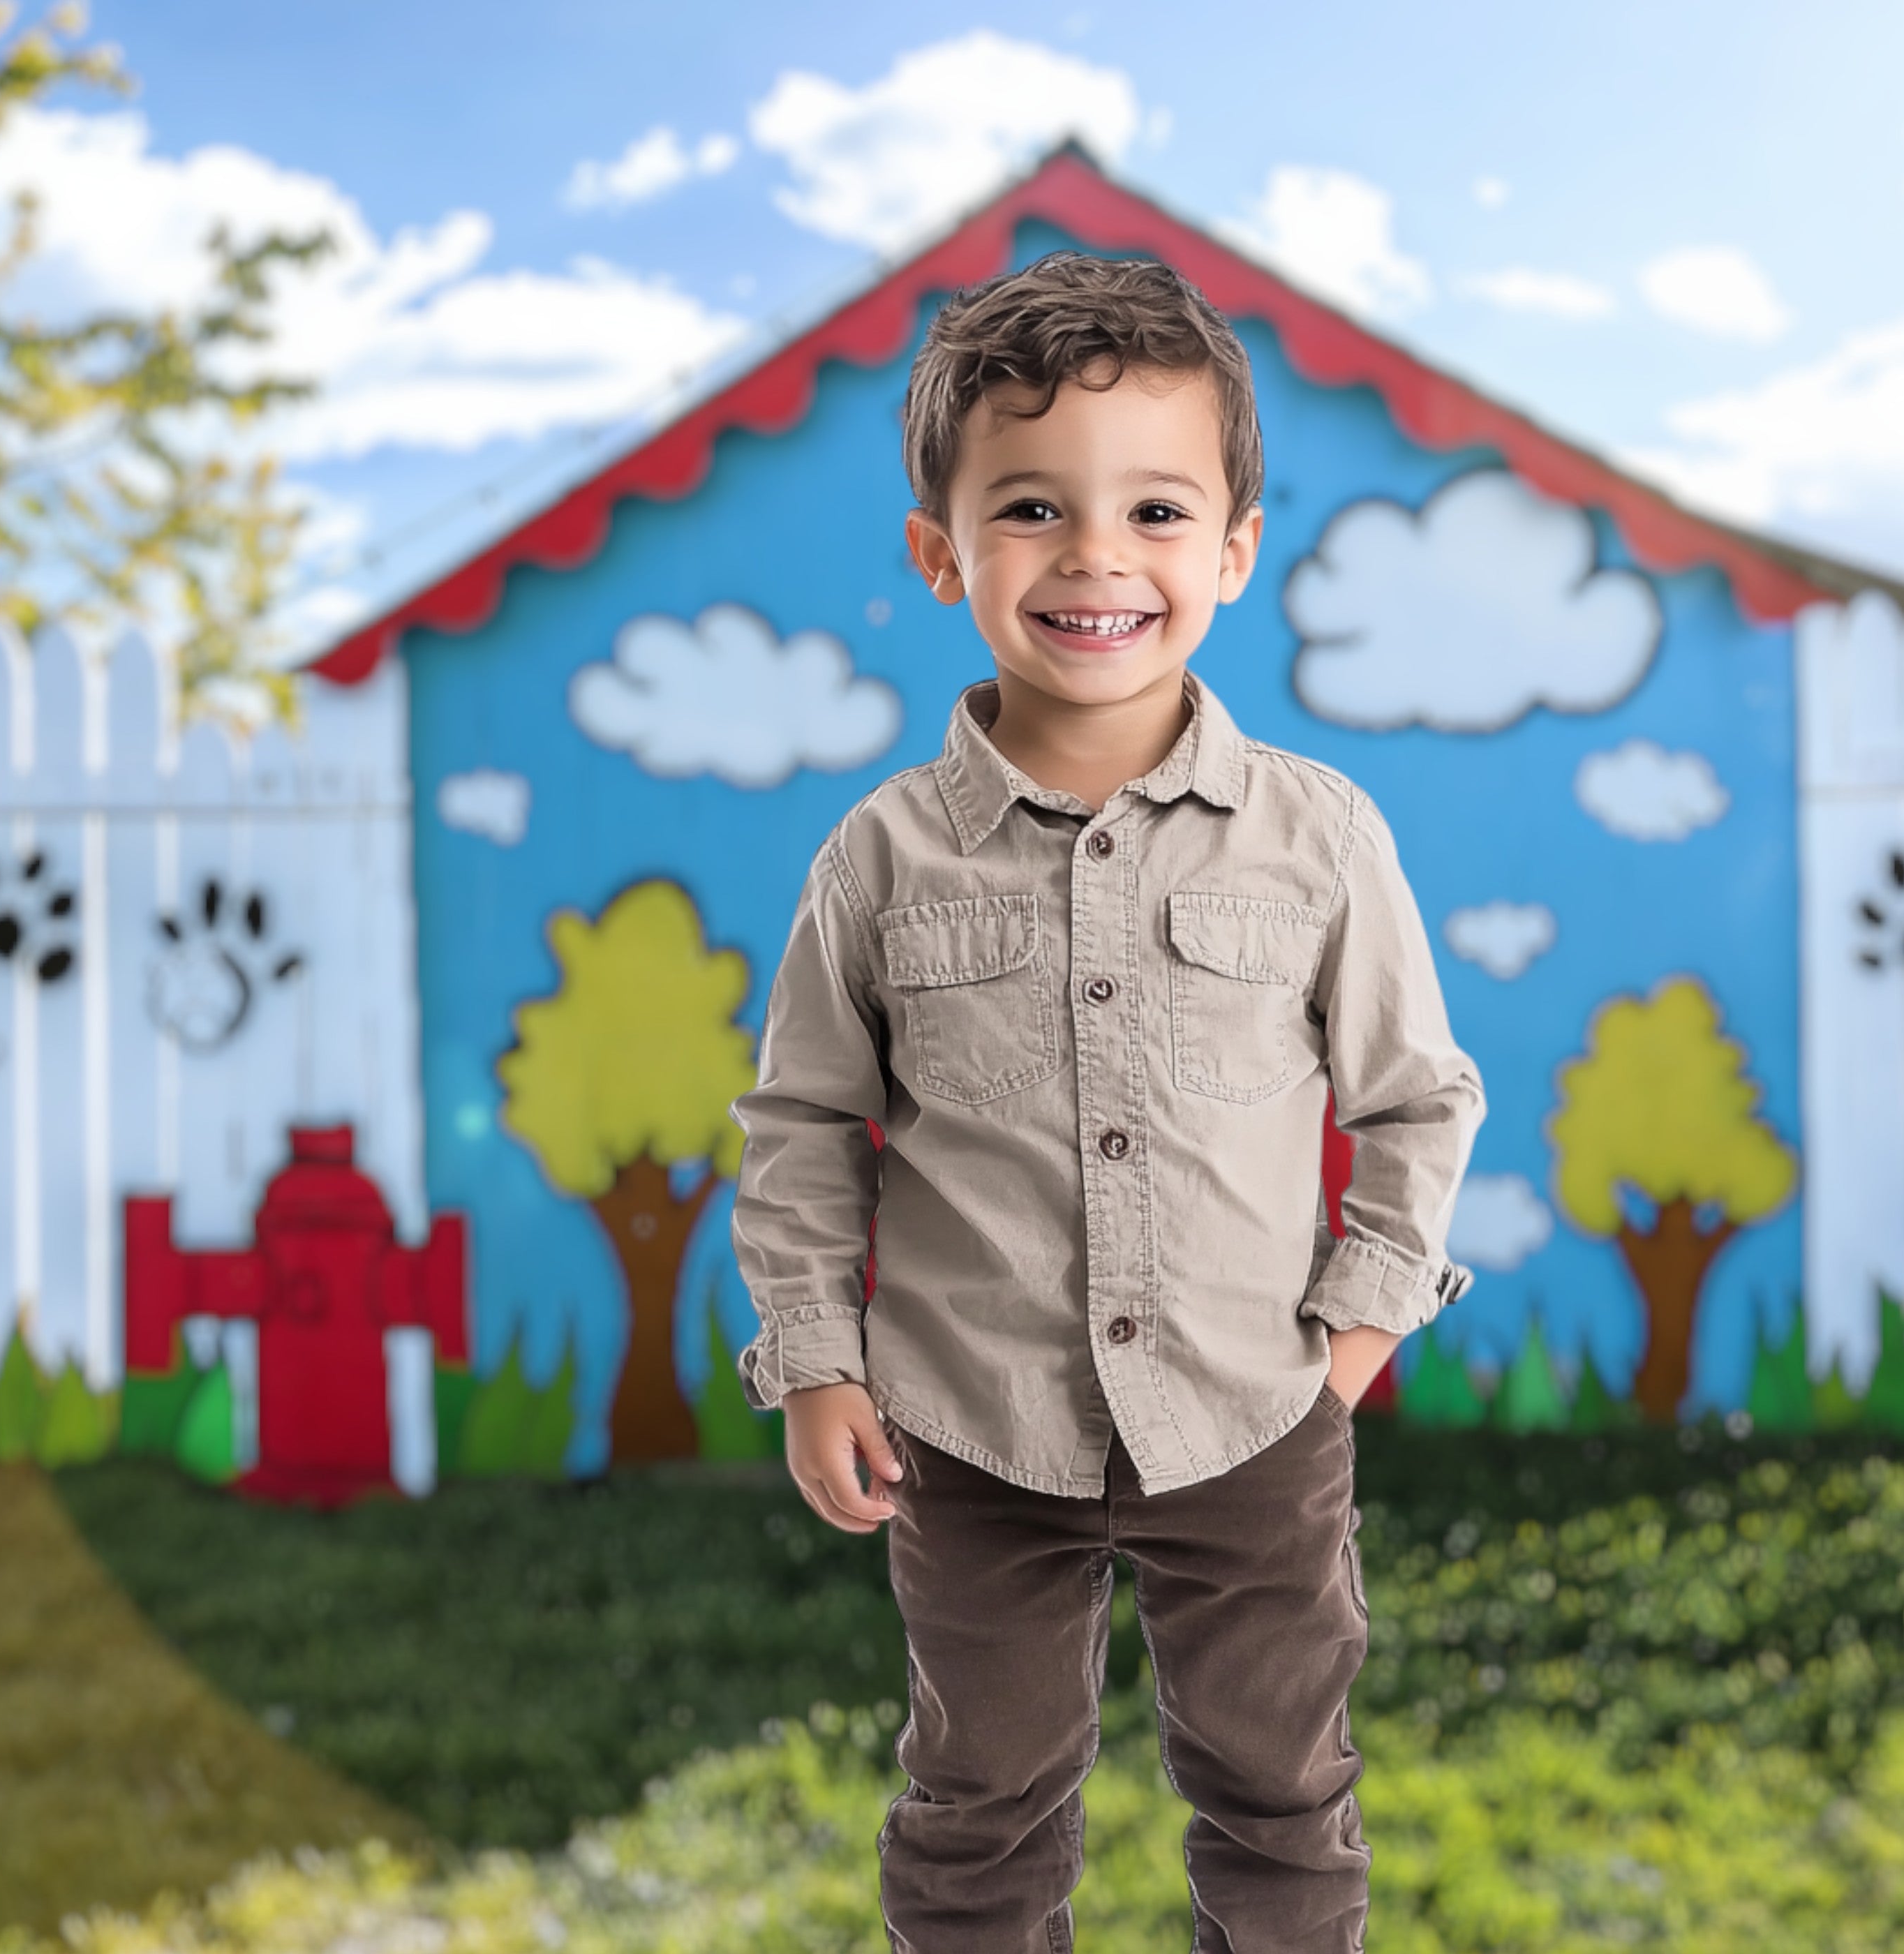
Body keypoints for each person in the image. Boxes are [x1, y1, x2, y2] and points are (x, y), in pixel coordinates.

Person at [729, 248, 1484, 1952]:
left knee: (1281, 1793)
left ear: (1231, 550)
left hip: (1250, 1415)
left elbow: (1415, 1101)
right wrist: (817, 1362)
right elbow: (803, 1127)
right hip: (971, 1425)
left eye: (1154, 510)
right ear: (940, 553)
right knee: (977, 1800)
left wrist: (1350, 1342)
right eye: (1029, 509)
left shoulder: (1316, 836)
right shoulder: (878, 856)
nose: (1094, 556)